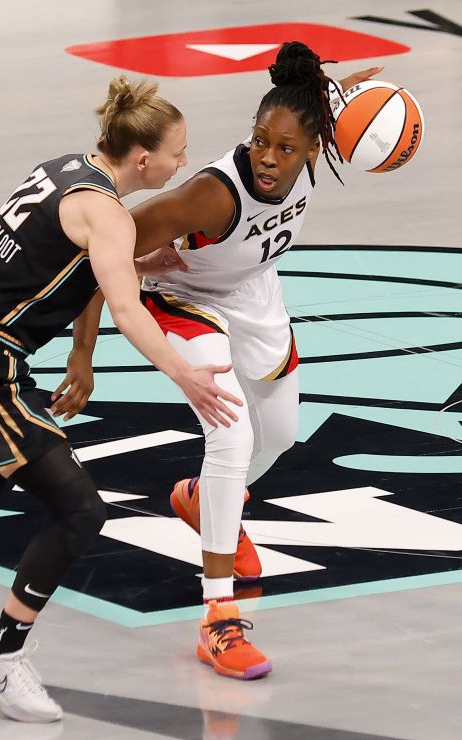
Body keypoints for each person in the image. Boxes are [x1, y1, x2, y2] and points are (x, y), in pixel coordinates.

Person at [0, 76, 242, 723]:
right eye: (179, 151)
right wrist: (184, 373)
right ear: (143, 159)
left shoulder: (64, 168)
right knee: (79, 511)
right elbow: (121, 301)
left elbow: (60, 260)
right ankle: (0, 659)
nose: (185, 163)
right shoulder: (110, 216)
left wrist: (135, 268)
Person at [127, 42, 383, 680]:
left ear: (315, 147)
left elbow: (330, 110)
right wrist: (87, 347)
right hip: (183, 295)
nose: (269, 157)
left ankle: (199, 499)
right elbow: (108, 239)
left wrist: (353, 97)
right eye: (260, 140)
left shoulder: (316, 143)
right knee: (232, 435)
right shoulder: (213, 196)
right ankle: (218, 620)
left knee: (280, 438)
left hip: (253, 294)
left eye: (287, 148)